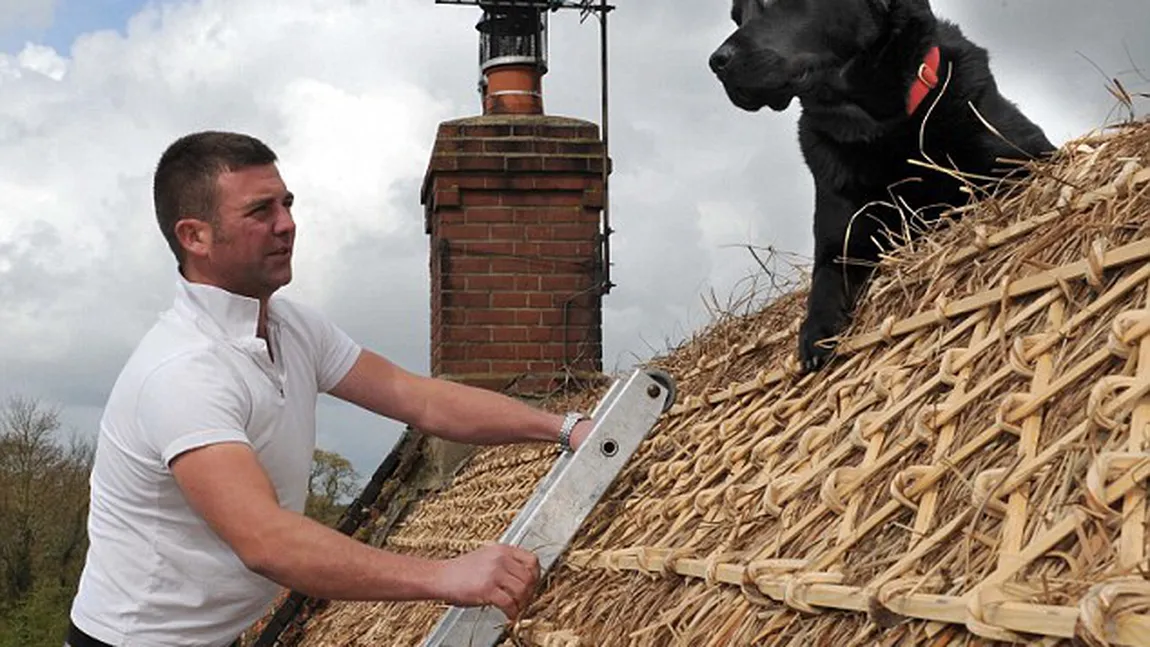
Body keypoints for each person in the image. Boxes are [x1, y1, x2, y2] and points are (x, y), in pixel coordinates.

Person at [66, 131, 594, 647]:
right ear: (194, 236)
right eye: (260, 211)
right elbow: (265, 541)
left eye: (287, 204)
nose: (287, 225)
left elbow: (420, 398)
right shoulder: (182, 371)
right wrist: (446, 576)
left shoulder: (292, 328)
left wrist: (563, 427)